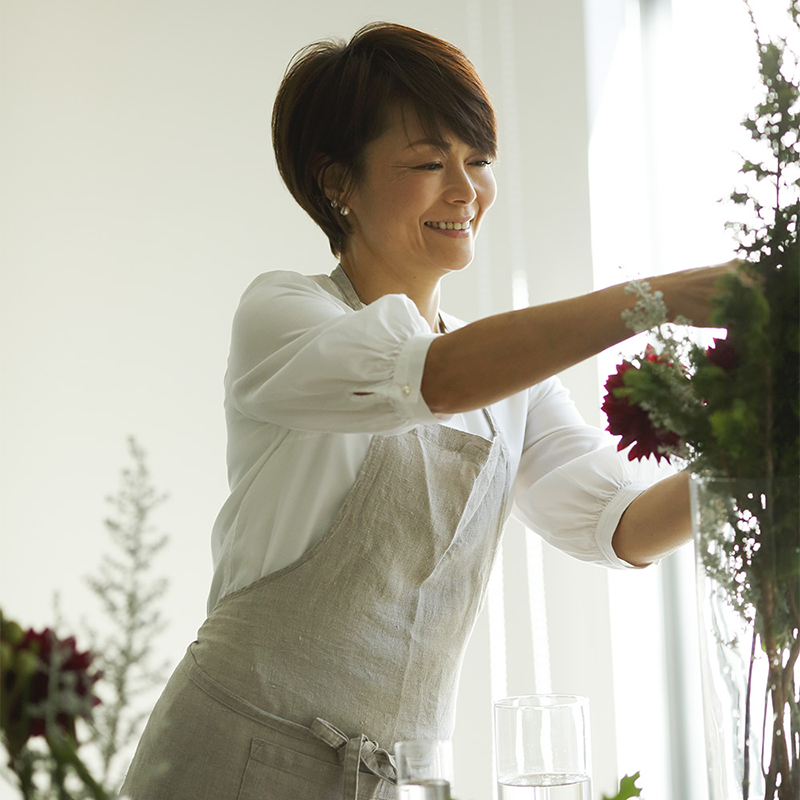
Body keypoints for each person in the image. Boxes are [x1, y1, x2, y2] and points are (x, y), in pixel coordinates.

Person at [121, 21, 733, 800]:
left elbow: (623, 527)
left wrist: (757, 450)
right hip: (230, 760)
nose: (465, 190)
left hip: (399, 783)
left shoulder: (509, 380)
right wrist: (661, 298)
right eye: (426, 162)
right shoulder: (285, 314)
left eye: (477, 161)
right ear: (336, 181)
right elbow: (433, 377)